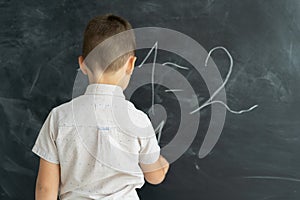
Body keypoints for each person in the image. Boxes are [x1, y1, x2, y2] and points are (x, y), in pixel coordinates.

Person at [31, 13, 169, 200]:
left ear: (83, 64)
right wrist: (161, 164)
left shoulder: (59, 117)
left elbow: (45, 189)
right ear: (130, 64)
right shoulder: (138, 120)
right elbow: (154, 177)